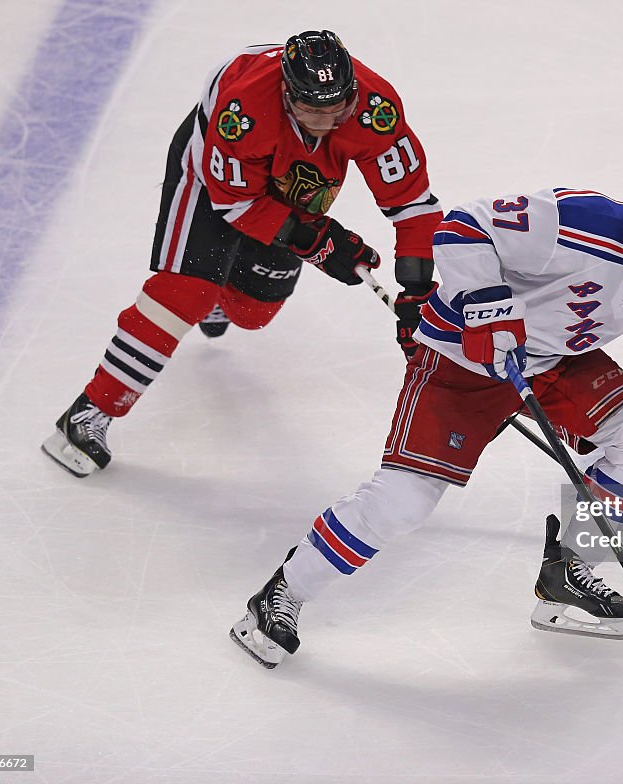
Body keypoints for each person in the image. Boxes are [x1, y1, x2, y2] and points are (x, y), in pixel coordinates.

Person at [230, 169, 623, 668]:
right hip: (461, 358)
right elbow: (463, 228)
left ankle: (567, 572)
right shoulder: (578, 220)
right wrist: (488, 305)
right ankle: (282, 593)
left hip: (554, 364)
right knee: (404, 502)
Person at [42, 30, 442, 477]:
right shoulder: (244, 111)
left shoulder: (375, 110)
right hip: (215, 181)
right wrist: (316, 240)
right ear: (288, 95)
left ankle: (220, 284)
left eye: (339, 110)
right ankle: (88, 413)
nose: (328, 123)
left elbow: (414, 205)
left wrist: (419, 293)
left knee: (253, 313)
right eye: (313, 111)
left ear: (352, 93)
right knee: (185, 292)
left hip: (296, 182)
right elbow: (235, 204)